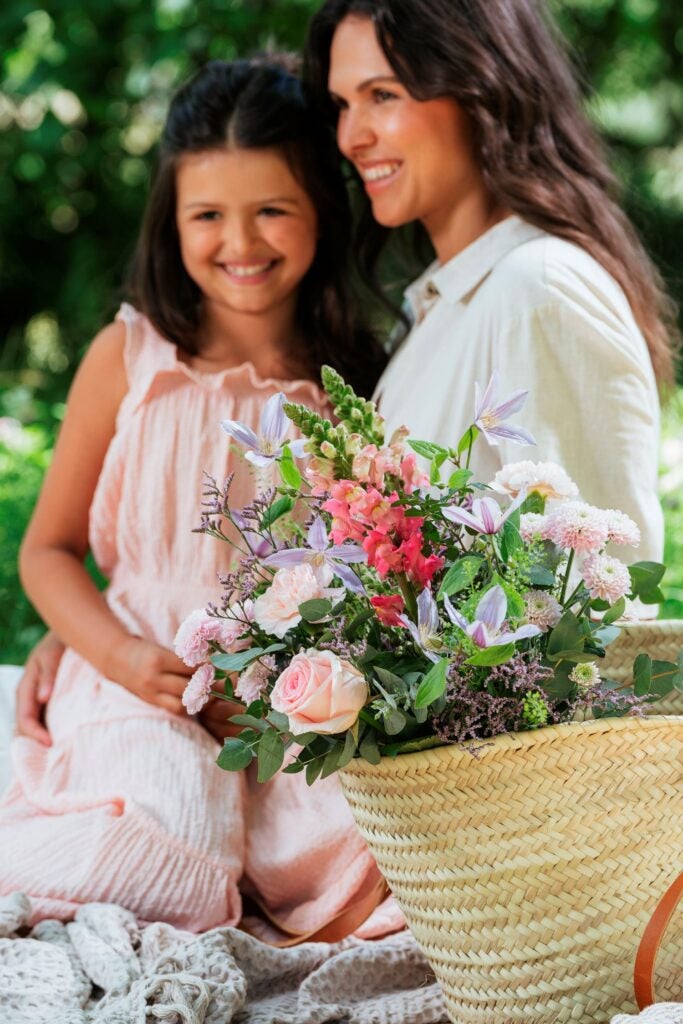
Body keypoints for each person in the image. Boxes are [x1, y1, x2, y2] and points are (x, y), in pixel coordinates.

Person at [0, 57, 397, 938]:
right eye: (207, 215)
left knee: (358, 865)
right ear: (170, 223)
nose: (240, 243)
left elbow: (362, 573)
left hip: (277, 696)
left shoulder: (348, 389)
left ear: (320, 215)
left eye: (271, 211)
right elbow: (47, 548)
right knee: (171, 856)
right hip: (139, 674)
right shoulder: (131, 359)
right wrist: (109, 654)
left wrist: (280, 701)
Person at [306, 0, 678, 573]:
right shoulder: (442, 302)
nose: (351, 137)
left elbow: (593, 600)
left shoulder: (540, 290)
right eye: (342, 104)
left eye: (383, 95)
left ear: (478, 88)